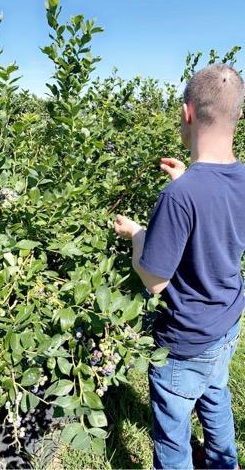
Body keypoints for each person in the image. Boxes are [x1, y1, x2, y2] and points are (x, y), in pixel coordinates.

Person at [114, 63, 245, 470]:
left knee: (172, 441)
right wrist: (188, 179)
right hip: (226, 323)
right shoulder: (239, 177)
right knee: (217, 397)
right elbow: (216, 218)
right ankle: (226, 464)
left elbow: (155, 280)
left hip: (185, 342)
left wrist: (136, 233)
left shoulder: (179, 197)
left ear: (187, 113)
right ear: (237, 115)